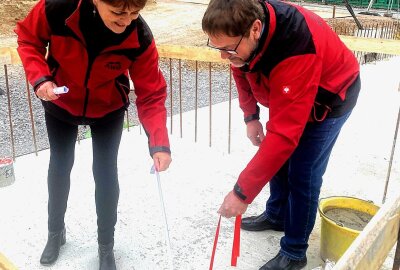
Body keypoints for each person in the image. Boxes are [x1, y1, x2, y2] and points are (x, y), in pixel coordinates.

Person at [202, 0, 360, 269]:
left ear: (255, 29)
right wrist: (251, 117)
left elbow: (284, 137)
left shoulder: (297, 45)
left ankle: (295, 251)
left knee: (303, 174)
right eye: (218, 48)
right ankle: (277, 215)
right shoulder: (242, 39)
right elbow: (240, 69)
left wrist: (242, 193)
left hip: (330, 98)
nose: (224, 56)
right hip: (291, 93)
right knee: (277, 159)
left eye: (228, 48)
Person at [15, 0, 172, 269]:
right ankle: (55, 233)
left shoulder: (140, 36)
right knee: (60, 167)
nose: (126, 21)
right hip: (61, 103)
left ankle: (105, 246)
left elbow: (151, 92)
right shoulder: (58, 8)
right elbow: (28, 39)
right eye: (118, 12)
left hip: (108, 109)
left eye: (135, 13)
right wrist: (40, 78)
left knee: (106, 173)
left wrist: (159, 143)